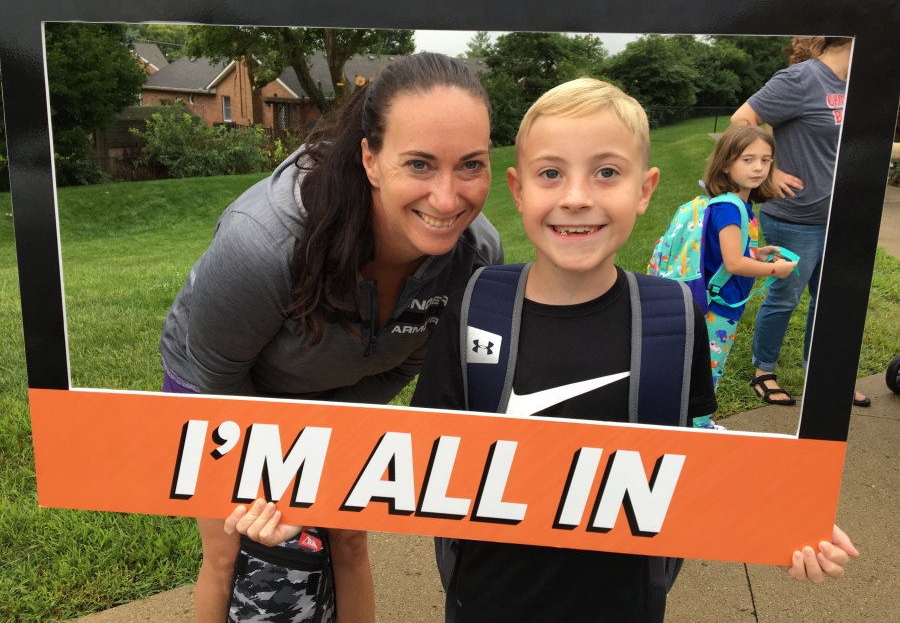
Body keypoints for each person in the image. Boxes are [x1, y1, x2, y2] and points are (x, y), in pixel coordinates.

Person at [228, 77, 860, 623]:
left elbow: (693, 445)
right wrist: (298, 497)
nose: (577, 196)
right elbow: (413, 459)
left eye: (607, 173)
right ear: (519, 189)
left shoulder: (675, 315)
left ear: (646, 188)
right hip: (487, 600)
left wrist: (786, 509)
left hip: (626, 603)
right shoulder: (474, 306)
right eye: (551, 173)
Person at [158, 52, 503, 623]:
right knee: (234, 550)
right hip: (223, 386)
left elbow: (403, 363)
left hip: (339, 393)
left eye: (471, 165)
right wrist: (277, 463)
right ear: (370, 158)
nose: (448, 199)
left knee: (348, 539)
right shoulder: (263, 242)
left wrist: (326, 440)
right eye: (419, 164)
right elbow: (215, 374)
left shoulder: (475, 254)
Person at [730, 37, 869, 407]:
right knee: (785, 297)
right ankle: (764, 371)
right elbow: (741, 120)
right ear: (853, 38)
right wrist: (768, 172)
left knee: (830, 300)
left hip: (842, 217)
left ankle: (822, 372)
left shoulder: (857, 86)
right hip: (795, 217)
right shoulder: (801, 79)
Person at [692, 126, 797, 427]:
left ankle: (695, 420)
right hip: (717, 307)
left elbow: (734, 253)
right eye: (747, 159)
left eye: (766, 160)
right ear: (726, 164)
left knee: (705, 365)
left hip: (721, 302)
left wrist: (759, 253)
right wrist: (777, 269)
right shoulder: (729, 207)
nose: (759, 167)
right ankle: (698, 426)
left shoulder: (738, 203)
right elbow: (734, 263)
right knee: (710, 368)